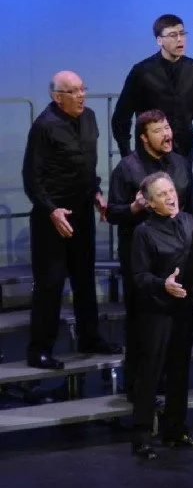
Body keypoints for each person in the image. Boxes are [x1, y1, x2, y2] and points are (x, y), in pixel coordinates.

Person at [23, 71, 119, 369]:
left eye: (82, 89)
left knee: (84, 278)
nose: (81, 96)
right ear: (57, 96)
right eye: (73, 91)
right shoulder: (44, 127)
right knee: (50, 284)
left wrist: (97, 194)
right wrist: (51, 210)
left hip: (81, 212)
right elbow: (31, 177)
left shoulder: (89, 118)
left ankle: (89, 337)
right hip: (51, 218)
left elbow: (87, 166)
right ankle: (39, 349)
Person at [129, 172, 193, 460]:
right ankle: (142, 437)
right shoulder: (143, 233)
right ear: (150, 203)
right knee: (151, 374)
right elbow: (139, 276)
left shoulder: (187, 221)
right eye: (162, 194)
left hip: (184, 309)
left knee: (180, 372)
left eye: (171, 190)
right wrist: (163, 285)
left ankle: (175, 430)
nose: (171, 197)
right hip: (156, 313)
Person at [107, 110, 193, 400]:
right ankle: (138, 386)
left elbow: (191, 208)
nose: (167, 134)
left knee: (178, 331)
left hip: (178, 258)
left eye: (168, 126)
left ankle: (171, 387)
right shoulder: (127, 168)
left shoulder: (181, 163)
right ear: (144, 137)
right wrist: (134, 208)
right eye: (159, 130)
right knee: (142, 327)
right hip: (144, 261)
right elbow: (112, 212)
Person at [112, 14, 193, 163]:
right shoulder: (142, 72)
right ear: (159, 40)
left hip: (183, 150)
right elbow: (121, 116)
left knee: (182, 185)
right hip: (149, 151)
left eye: (182, 34)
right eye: (173, 35)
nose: (179, 39)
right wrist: (126, 154)